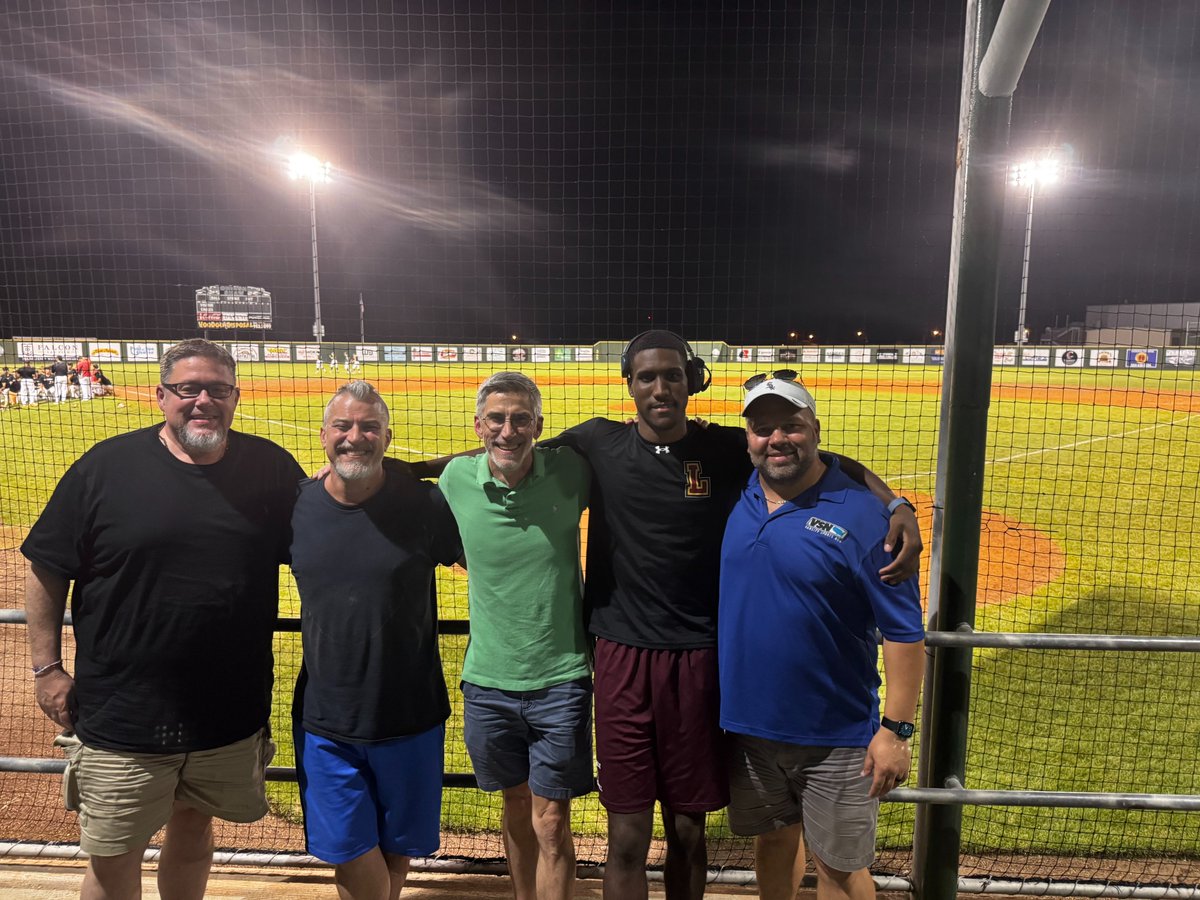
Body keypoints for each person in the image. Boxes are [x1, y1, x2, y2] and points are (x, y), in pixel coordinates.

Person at [538, 331, 921, 900]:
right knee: (630, 835)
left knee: (692, 831)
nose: (660, 388)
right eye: (647, 376)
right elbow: (512, 453)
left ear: (692, 380)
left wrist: (895, 503)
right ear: (629, 383)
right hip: (623, 655)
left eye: (672, 375)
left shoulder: (722, 450)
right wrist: (404, 470)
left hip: (701, 662)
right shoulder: (597, 442)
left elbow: (825, 460)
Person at [22, 338, 305, 900]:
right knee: (113, 854)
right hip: (123, 708)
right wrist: (46, 667)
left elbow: (329, 532)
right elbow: (47, 565)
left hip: (227, 706)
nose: (203, 401)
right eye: (188, 389)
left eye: (218, 389)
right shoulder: (105, 467)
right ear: (161, 397)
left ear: (235, 396)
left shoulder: (270, 467)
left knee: (196, 829)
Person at [718, 374, 925, 900]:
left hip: (836, 735)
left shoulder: (863, 517)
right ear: (748, 438)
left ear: (815, 429)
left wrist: (895, 730)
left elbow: (904, 632)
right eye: (763, 429)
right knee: (773, 844)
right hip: (748, 727)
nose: (777, 439)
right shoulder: (738, 487)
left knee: (838, 869)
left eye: (792, 425)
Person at [290, 381, 462, 899]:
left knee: (396, 847)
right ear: (323, 436)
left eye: (369, 427)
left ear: (388, 437)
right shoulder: (297, 505)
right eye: (343, 426)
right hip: (328, 718)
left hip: (411, 711)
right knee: (347, 850)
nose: (355, 437)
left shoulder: (425, 503)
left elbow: (487, 561)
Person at [437, 372, 593, 900]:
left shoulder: (570, 473)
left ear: (539, 426)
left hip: (561, 679)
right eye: (497, 419)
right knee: (514, 807)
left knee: (551, 821)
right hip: (487, 683)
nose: (509, 430)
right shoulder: (456, 479)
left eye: (521, 418)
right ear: (479, 426)